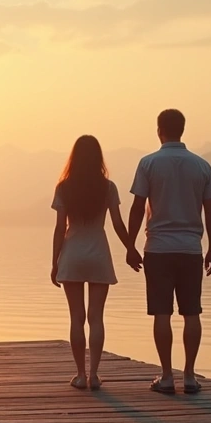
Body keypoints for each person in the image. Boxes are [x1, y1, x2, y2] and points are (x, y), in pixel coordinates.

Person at [125, 109, 211, 395]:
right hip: (190, 249)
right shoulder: (201, 165)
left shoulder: (148, 164)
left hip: (158, 249)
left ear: (159, 130)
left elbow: (137, 208)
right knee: (192, 313)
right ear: (182, 129)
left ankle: (166, 376)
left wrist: (130, 245)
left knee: (162, 313)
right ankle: (189, 376)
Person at [50, 135, 142, 390]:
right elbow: (117, 224)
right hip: (99, 254)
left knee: (76, 318)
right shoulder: (108, 188)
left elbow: (60, 228)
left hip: (72, 254)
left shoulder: (64, 188)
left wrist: (54, 262)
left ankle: (80, 375)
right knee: (96, 317)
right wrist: (131, 248)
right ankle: (94, 375)